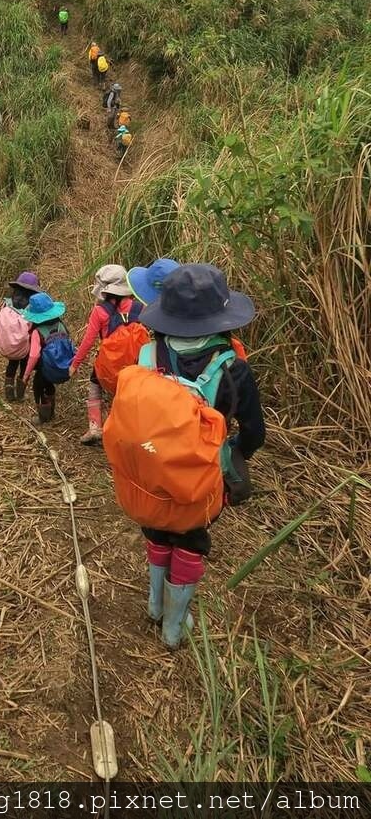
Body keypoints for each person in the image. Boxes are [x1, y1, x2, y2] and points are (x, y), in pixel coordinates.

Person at [103, 264, 263, 649]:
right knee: (191, 539)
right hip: (198, 480)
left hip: (149, 475)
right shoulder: (233, 369)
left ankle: (155, 605)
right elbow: (255, 433)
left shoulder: (146, 353)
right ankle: (174, 627)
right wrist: (236, 453)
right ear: (221, 318)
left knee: (158, 530)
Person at [68, 264, 146, 444]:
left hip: (108, 363)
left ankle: (95, 428)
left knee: (95, 385)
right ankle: (126, 431)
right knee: (128, 394)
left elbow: (88, 341)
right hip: (135, 362)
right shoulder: (138, 307)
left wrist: (74, 364)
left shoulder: (100, 311)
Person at [22, 291, 74, 423]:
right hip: (61, 365)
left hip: (45, 368)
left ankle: (43, 416)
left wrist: (26, 375)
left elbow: (34, 356)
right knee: (49, 385)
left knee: (38, 386)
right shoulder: (61, 325)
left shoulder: (37, 332)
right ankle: (51, 413)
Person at [0, 272, 40, 402]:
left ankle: (9, 392)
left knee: (12, 364)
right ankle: (20, 394)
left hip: (11, 346)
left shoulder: (8, 304)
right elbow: (35, 328)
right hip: (25, 347)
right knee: (24, 367)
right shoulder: (31, 307)